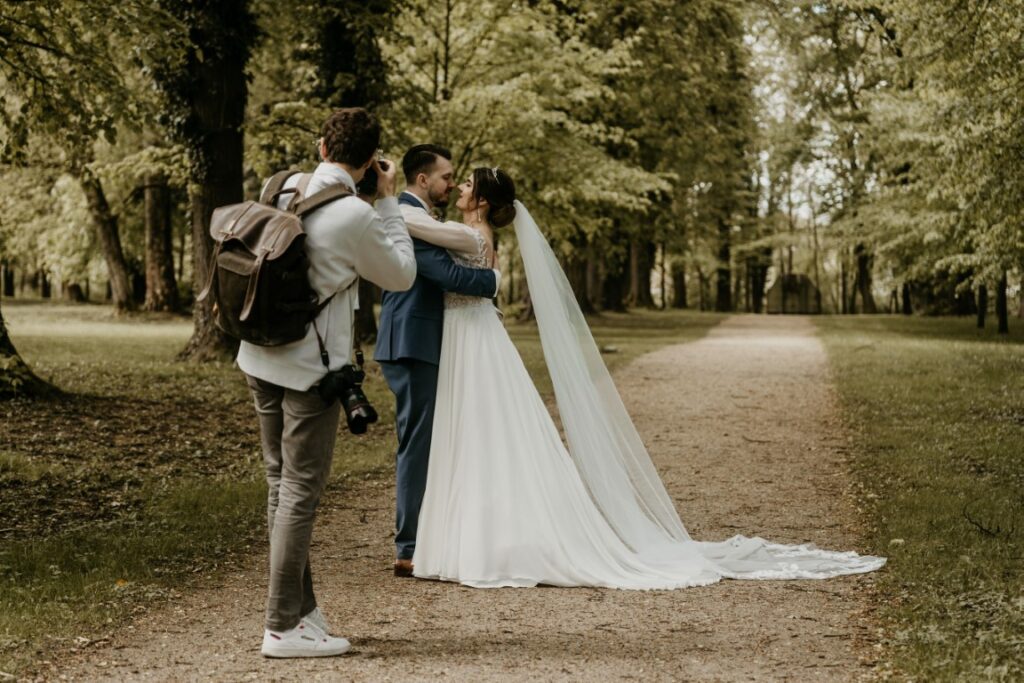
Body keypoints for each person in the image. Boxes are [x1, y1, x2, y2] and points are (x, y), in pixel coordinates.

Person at [404, 166, 886, 588]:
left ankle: (485, 542)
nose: (461, 188)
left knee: (485, 431)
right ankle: (471, 538)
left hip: (477, 338)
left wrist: (383, 202)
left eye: (467, 184)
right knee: (470, 432)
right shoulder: (464, 231)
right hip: (469, 335)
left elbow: (413, 226)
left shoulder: (471, 235)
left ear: (483, 201)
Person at [236, 108, 417, 657]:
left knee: (280, 485)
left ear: (320, 147)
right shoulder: (355, 215)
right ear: (367, 164)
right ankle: (280, 627)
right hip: (311, 372)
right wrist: (386, 199)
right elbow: (402, 275)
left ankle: (302, 612)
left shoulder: (280, 186)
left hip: (258, 356)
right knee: (299, 490)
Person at [374, 145, 500, 578]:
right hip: (413, 339)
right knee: (418, 442)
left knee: (431, 438)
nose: (453, 182)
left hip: (421, 337)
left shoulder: (419, 217)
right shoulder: (409, 218)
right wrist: (494, 280)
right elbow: (445, 275)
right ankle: (408, 547)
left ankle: (432, 534)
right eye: (447, 176)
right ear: (423, 180)